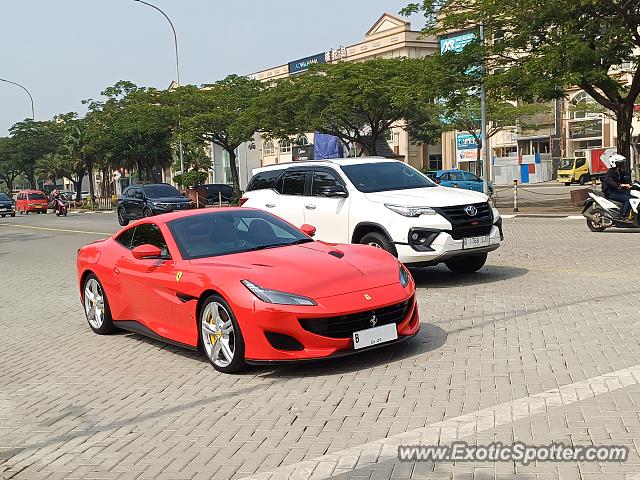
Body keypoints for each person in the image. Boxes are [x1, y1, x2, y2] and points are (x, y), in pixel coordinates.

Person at [601, 154, 633, 219]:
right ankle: (624, 216)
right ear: (615, 163)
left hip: (618, 190)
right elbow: (611, 183)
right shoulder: (610, 172)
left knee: (632, 195)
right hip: (611, 192)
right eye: (620, 163)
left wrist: (632, 184)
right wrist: (621, 185)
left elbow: (625, 180)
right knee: (628, 199)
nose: (622, 164)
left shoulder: (620, 171)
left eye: (622, 162)